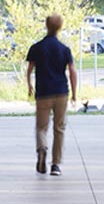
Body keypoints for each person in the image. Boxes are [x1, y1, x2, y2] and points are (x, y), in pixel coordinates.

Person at [26, 13, 77, 176]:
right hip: (61, 92)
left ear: (46, 26)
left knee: (41, 127)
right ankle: (55, 165)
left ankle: (42, 149)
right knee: (59, 128)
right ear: (60, 27)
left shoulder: (36, 48)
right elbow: (72, 71)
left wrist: (29, 85)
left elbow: (29, 70)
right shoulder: (64, 49)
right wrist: (74, 94)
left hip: (43, 92)